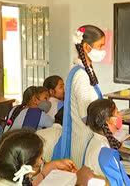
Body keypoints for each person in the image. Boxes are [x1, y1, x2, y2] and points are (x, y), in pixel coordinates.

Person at [55, 25, 106, 167]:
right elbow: (87, 117)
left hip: (86, 138)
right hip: (82, 142)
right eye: (100, 46)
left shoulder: (85, 70)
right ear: (86, 47)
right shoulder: (81, 76)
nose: (103, 51)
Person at [0, 129, 94, 186]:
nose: (43, 161)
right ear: (29, 170)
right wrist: (82, 181)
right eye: (41, 159)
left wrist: (51, 166)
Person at [83, 99, 130, 186]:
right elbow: (118, 183)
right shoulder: (105, 151)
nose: (120, 115)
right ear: (110, 120)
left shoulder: (93, 142)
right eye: (117, 112)